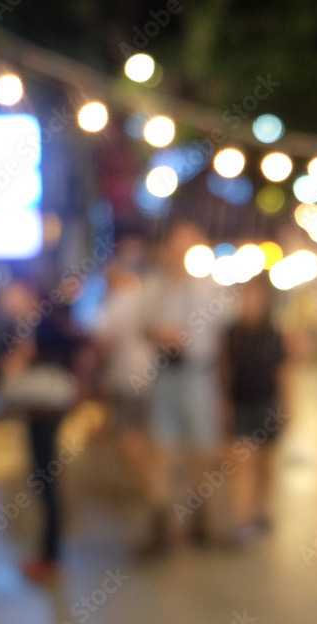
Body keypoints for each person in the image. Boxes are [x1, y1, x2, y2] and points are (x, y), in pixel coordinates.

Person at [140, 222, 234, 554]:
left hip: (198, 375)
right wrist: (159, 335)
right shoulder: (154, 287)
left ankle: (202, 517)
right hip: (167, 375)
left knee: (203, 451)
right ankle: (160, 521)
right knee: (162, 450)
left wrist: (224, 391)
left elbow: (222, 340)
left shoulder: (210, 289)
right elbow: (144, 326)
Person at [0, 282, 85, 583]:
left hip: (46, 408)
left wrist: (21, 359)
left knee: (46, 476)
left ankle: (51, 553)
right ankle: (47, 551)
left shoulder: (43, 326)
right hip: (38, 409)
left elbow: (68, 349)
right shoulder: (31, 326)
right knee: (42, 476)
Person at [221, 275, 289, 545]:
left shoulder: (273, 334)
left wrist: (286, 405)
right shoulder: (231, 334)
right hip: (240, 404)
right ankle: (243, 517)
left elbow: (284, 371)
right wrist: (223, 401)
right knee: (241, 463)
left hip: (267, 403)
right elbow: (223, 369)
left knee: (265, 463)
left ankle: (260, 507)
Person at [92, 237, 155, 502]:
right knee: (146, 431)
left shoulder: (118, 302)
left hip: (128, 377)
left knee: (129, 433)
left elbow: (102, 342)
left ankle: (150, 486)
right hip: (150, 375)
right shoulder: (146, 296)